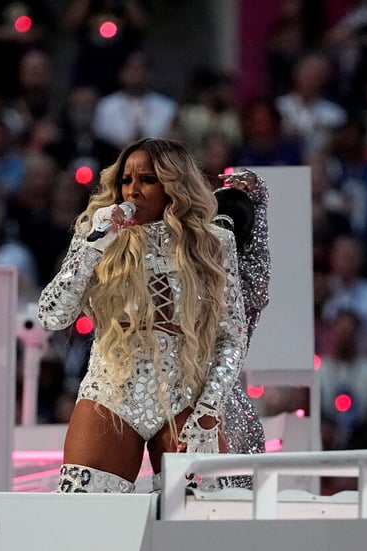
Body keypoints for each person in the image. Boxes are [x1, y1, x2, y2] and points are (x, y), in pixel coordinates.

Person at [38, 138, 247, 493]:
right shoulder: (96, 233)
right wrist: (92, 248)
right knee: (83, 529)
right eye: (125, 180)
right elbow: (51, 316)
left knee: (201, 532)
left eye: (147, 179)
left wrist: (210, 406)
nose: (132, 190)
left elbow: (232, 336)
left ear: (173, 185)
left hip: (186, 398)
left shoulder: (213, 242)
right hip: (110, 394)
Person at [213, 169, 270, 459]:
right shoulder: (253, 280)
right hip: (234, 410)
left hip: (193, 401)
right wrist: (259, 200)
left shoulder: (188, 273)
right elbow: (259, 251)